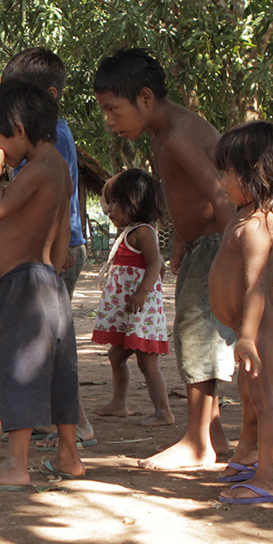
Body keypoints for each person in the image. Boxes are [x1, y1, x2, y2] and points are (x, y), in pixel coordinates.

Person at [93, 48, 238, 471]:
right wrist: (180, 241)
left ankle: (196, 443)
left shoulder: (178, 135)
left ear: (144, 98)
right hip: (201, 245)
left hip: (217, 245)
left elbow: (220, 195)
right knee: (199, 335)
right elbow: (184, 195)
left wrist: (235, 252)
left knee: (196, 336)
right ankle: (214, 435)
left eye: (112, 109)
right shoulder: (162, 135)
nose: (108, 120)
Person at [0, 79, 83, 490]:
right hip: (48, 284)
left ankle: (17, 463)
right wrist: (48, 269)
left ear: (18, 129)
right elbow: (57, 237)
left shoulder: (33, 171)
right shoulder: (59, 172)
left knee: (18, 370)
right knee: (59, 372)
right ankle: (68, 455)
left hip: (22, 287)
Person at [4, 47, 98, 450]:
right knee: (42, 339)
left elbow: (58, 200)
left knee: (49, 343)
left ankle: (76, 422)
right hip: (47, 253)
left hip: (53, 254)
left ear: (49, 95)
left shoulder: (52, 138)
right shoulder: (42, 139)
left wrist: (56, 250)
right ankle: (49, 419)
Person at [209, 122, 273, 504]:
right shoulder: (250, 215)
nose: (221, 181)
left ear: (255, 173)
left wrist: (247, 336)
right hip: (250, 326)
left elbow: (256, 286)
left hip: (257, 327)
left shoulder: (260, 224)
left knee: (263, 400)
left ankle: (268, 479)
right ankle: (249, 454)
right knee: (249, 393)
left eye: (228, 173)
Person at [90, 169, 175, 427]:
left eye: (115, 202)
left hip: (141, 315)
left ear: (135, 202)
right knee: (116, 357)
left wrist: (142, 292)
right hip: (131, 314)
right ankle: (119, 404)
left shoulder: (144, 232)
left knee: (147, 364)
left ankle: (164, 413)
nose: (109, 210)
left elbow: (155, 264)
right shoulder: (130, 231)